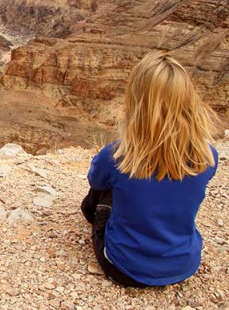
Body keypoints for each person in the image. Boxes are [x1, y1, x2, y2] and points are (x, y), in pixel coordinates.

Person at [81, 51, 219, 287]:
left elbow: (95, 180)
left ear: (137, 100)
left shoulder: (118, 156)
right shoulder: (207, 157)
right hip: (184, 265)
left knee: (103, 190)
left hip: (123, 267)